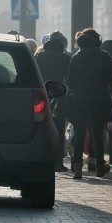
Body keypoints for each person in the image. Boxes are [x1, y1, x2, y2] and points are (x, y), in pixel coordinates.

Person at [65, 28, 112, 179]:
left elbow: (70, 81)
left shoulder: (76, 57)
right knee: (97, 134)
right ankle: (100, 166)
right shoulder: (105, 56)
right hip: (100, 100)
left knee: (80, 133)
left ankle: (77, 168)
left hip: (79, 100)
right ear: (98, 41)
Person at [36, 32, 71, 172]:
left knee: (41, 127)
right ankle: (58, 162)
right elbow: (69, 77)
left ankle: (41, 159)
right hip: (60, 94)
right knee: (59, 128)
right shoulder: (65, 58)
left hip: (43, 93)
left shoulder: (40, 56)